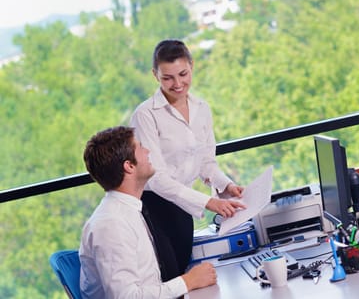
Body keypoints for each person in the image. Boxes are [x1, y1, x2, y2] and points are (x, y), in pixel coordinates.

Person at [130, 39, 245, 281]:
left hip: (183, 206)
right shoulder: (145, 115)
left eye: (183, 74)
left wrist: (225, 186)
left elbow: (206, 161)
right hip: (154, 207)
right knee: (169, 279)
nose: (178, 84)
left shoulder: (202, 108)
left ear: (192, 66)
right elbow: (156, 178)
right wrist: (209, 202)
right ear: (155, 75)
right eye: (167, 78)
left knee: (182, 272)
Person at [79, 126, 217, 298]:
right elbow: (126, 297)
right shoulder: (111, 225)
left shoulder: (130, 209)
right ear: (129, 166)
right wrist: (188, 281)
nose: (148, 151)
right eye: (140, 148)